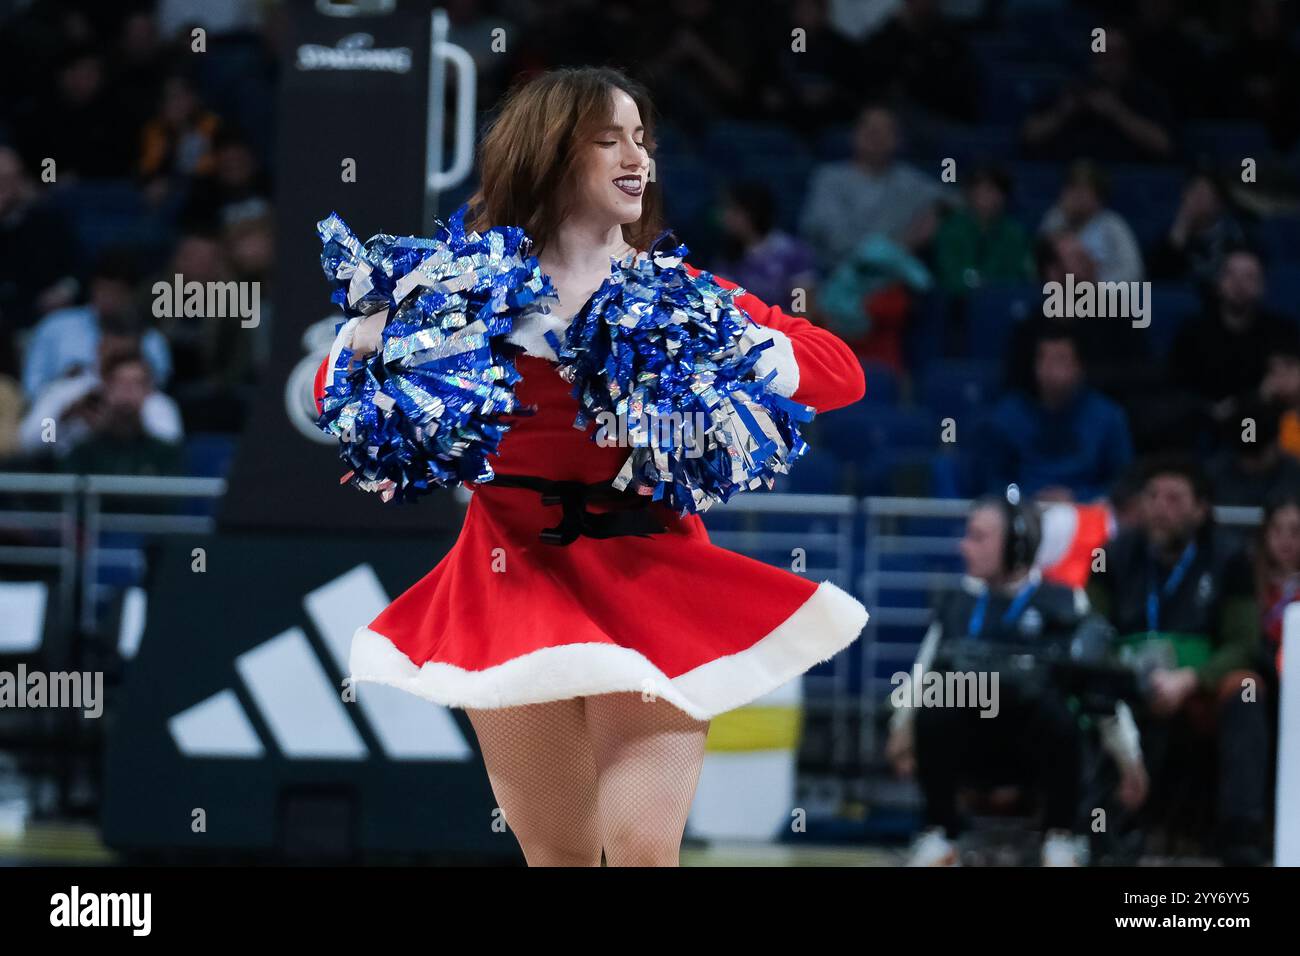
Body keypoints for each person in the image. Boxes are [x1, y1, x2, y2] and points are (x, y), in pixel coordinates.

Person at [311, 67, 868, 867]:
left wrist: (737, 344)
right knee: (559, 857)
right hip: (510, 578)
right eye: (609, 139)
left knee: (641, 851)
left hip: (651, 577)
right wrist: (363, 337)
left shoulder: (675, 295)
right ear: (549, 156)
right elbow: (338, 401)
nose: (635, 156)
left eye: (641, 139)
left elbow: (840, 372)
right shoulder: (463, 291)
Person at [885, 492, 1146, 866]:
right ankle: (943, 835)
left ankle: (1061, 837)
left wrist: (1129, 759)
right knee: (938, 698)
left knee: (1058, 705)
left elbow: (1099, 688)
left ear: (1017, 544)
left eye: (978, 537)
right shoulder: (958, 602)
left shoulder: (1066, 602)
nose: (964, 546)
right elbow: (920, 674)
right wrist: (901, 730)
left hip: (1036, 751)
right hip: (972, 747)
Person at [1086, 456, 1270, 864]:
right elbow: (1092, 633)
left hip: (1196, 686)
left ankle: (1242, 836)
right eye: (1151, 496)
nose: (1159, 507)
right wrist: (1123, 676)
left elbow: (1244, 642)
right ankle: (1092, 832)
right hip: (1127, 684)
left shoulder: (1230, 558)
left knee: (1245, 687)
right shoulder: (1112, 556)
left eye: (1173, 498)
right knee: (1085, 695)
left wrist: (1192, 678)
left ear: (1200, 509)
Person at [975, 324, 1134, 503]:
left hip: (1087, 515)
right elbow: (993, 480)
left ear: (1079, 367)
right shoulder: (1008, 415)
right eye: (1043, 359)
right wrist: (1024, 498)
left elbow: (1122, 483)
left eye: (1060, 360)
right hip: (1023, 514)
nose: (1050, 369)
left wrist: (1079, 497)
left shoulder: (1108, 417)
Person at [21, 246, 172, 402]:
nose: (107, 299)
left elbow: (156, 395)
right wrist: (65, 388)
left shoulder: (152, 341)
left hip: (126, 419)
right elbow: (32, 387)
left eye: (116, 292)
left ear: (131, 294)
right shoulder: (55, 326)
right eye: (102, 289)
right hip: (62, 416)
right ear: (92, 287)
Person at [932, 164, 1033, 297]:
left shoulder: (1015, 233)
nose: (988, 197)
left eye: (995, 190)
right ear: (969, 193)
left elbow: (1018, 275)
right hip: (956, 303)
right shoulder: (951, 229)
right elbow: (949, 275)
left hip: (1001, 301)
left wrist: (990, 287)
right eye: (982, 190)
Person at [1038, 160, 1145, 284]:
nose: (1076, 196)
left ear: (1099, 197)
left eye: (1084, 190)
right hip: (1061, 293)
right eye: (1072, 188)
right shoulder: (1055, 218)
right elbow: (1043, 265)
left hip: (1104, 296)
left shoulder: (1112, 224)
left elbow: (1134, 272)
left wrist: (1097, 286)